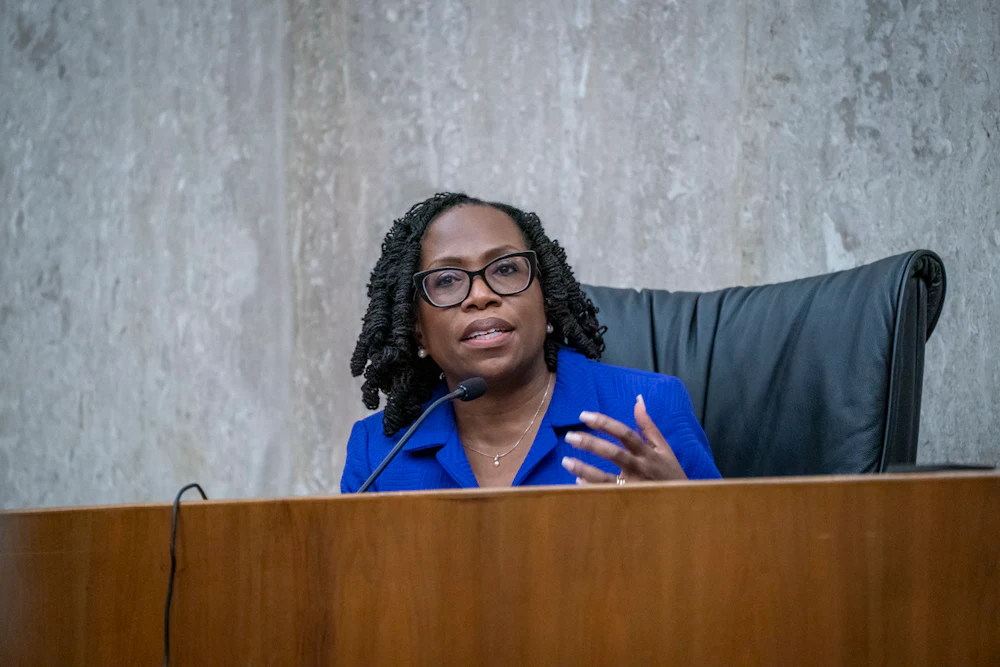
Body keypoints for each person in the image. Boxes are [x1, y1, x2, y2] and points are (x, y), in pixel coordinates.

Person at [342, 193, 721, 492]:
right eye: (447, 280)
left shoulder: (649, 408)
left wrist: (679, 510)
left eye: (505, 269)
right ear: (416, 327)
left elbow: (737, 569)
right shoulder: (378, 453)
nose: (480, 295)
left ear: (546, 297)